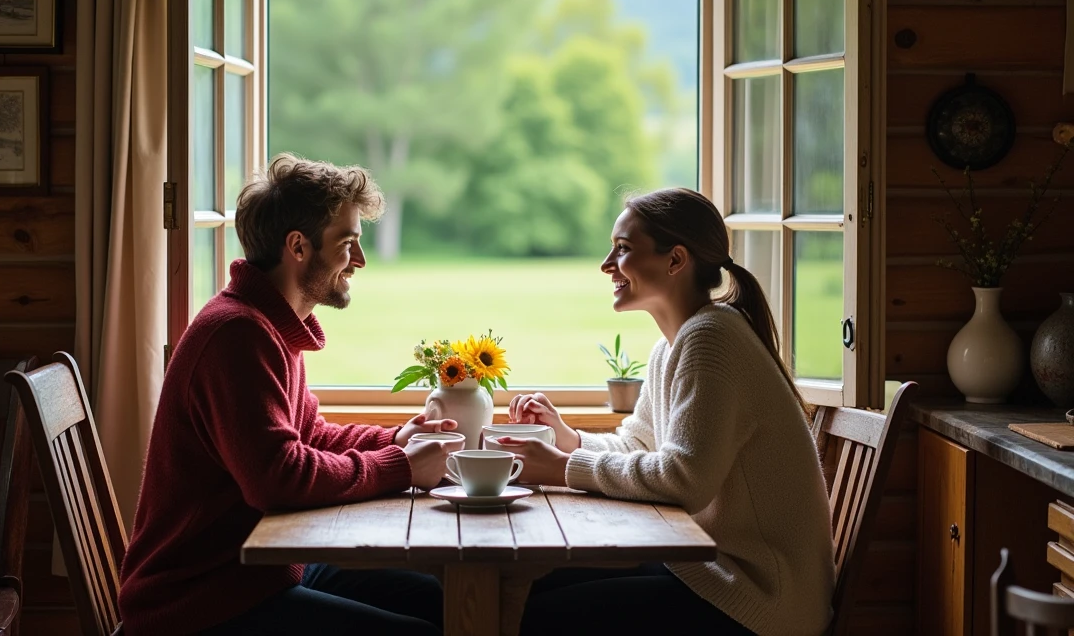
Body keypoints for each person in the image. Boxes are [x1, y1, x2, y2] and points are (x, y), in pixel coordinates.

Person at [118, 154, 459, 636]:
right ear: (298, 246)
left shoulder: (269, 324)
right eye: (348, 244)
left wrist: (394, 440)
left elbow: (308, 436)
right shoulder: (237, 334)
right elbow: (278, 478)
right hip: (199, 603)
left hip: (260, 575)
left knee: (443, 602)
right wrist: (399, 467)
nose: (359, 261)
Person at [499, 188, 836, 636]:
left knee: (540, 616)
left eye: (622, 249)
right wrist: (568, 438)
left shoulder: (712, 339)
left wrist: (564, 467)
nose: (606, 264)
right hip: (712, 570)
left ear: (675, 260)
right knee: (530, 587)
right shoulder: (673, 345)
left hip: (760, 602)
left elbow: (684, 480)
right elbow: (640, 444)